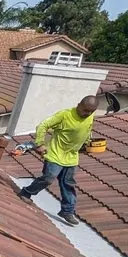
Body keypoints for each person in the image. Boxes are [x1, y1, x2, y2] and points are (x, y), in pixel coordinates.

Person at [17, 95, 99, 225]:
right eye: (85, 110)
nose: (87, 114)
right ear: (78, 105)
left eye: (91, 112)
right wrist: (39, 144)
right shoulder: (64, 115)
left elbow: (87, 130)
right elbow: (43, 126)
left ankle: (67, 211)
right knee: (49, 178)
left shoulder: (89, 117)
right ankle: (26, 192)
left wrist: (87, 143)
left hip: (71, 157)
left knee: (68, 184)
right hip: (55, 153)